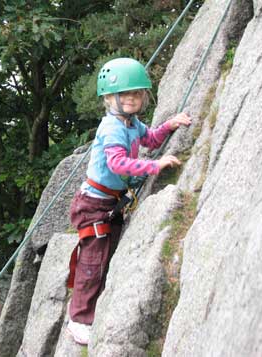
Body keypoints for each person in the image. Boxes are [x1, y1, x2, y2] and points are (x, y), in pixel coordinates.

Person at [66, 57, 191, 345]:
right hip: (93, 206)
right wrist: (154, 166)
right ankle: (79, 319)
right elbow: (119, 164)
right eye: (124, 94)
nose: (132, 98)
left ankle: (92, 305)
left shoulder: (132, 123)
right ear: (109, 98)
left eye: (137, 93)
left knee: (107, 257)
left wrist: (170, 125)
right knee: (93, 262)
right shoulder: (112, 127)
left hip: (109, 204)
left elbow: (151, 139)